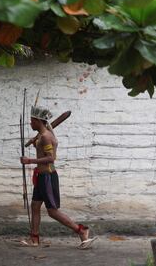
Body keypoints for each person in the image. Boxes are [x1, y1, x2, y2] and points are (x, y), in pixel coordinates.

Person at [20, 105, 97, 249]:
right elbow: (42, 146)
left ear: (38, 121)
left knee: (52, 212)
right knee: (35, 206)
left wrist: (29, 161)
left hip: (48, 177)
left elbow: (51, 158)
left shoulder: (46, 137)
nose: (30, 123)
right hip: (41, 176)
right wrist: (35, 142)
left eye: (32, 121)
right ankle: (34, 239)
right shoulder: (42, 136)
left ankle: (81, 230)